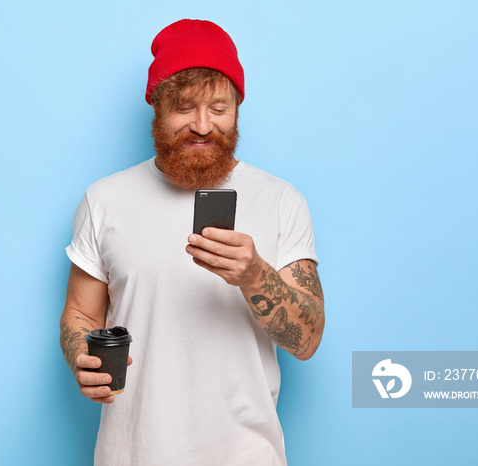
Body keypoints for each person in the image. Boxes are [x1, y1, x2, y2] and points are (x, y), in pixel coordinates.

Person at [60, 19, 325, 466]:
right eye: (185, 107)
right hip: (131, 455)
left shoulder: (281, 201)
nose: (203, 126)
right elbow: (82, 312)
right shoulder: (104, 199)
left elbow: (308, 339)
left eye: (219, 108)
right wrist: (82, 354)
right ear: (157, 108)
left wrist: (255, 275)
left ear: (238, 108)